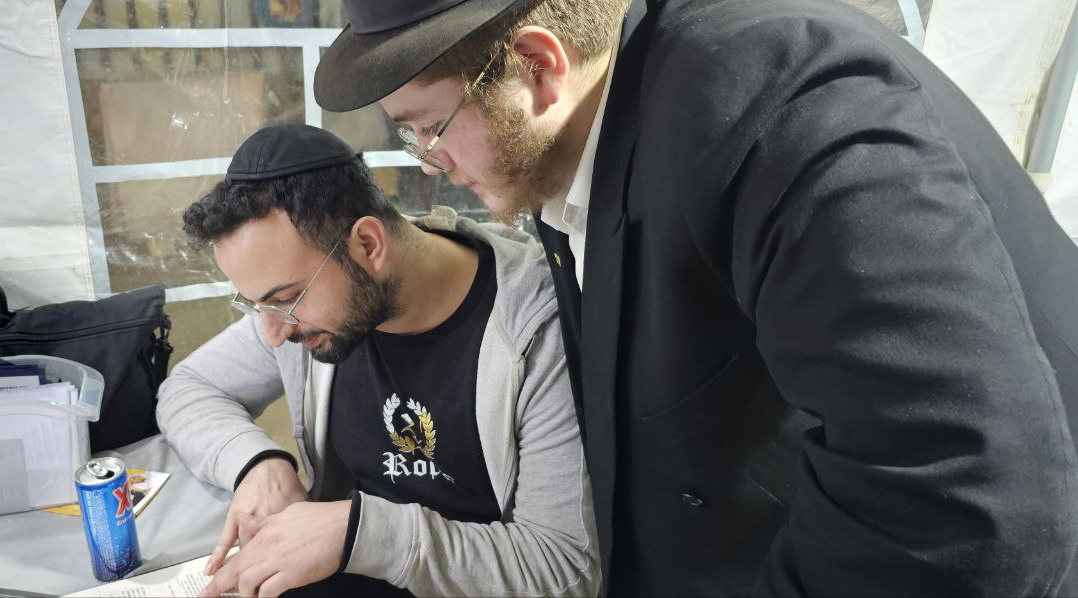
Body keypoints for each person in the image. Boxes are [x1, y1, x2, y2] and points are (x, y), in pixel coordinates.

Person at [312, 0, 1078, 595]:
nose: (431, 163)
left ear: (538, 70)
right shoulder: (561, 140)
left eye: (430, 128)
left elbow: (959, 499)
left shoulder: (775, 106)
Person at [157, 124, 598, 597]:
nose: (273, 333)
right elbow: (188, 388)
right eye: (256, 305)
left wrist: (360, 534)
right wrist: (257, 464)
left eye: (284, 299)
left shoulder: (537, 331)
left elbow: (565, 570)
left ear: (368, 244)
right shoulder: (306, 313)